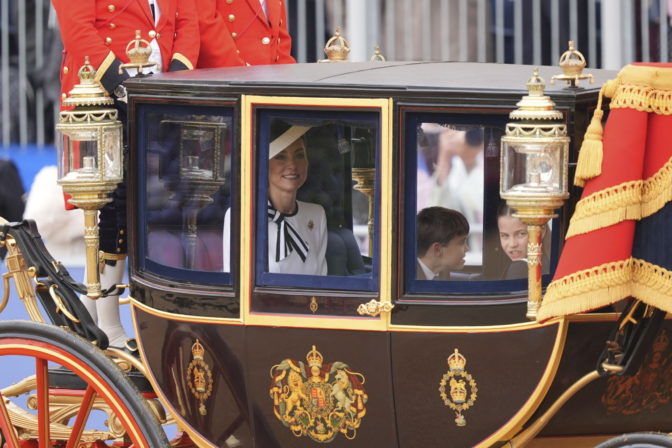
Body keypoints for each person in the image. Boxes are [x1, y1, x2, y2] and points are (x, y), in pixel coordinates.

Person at [52, 0, 200, 349]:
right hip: (104, 95)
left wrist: (173, 80)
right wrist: (121, 84)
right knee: (117, 203)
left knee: (156, 205)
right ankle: (106, 317)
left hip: (161, 96)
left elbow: (187, 22)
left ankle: (92, 310)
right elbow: (78, 29)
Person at [224, 122, 327, 275]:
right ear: (264, 165)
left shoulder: (316, 214)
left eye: (299, 155)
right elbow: (237, 284)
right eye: (280, 157)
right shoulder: (243, 216)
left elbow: (321, 280)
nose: (292, 165)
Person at [427, 126, 484, 254]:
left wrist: (471, 160)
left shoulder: (488, 158)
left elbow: (479, 202)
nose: (469, 138)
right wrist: (444, 155)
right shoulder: (453, 169)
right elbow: (439, 209)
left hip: (481, 250)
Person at [195, 0, 295, 68]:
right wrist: (244, 75)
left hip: (272, 87)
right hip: (229, 84)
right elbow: (205, 24)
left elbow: (280, 39)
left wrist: (288, 79)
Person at [416, 206, 470, 280]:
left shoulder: (420, 277)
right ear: (437, 249)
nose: (467, 249)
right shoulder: (413, 283)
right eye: (461, 242)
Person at [497, 204, 549, 279]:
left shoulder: (518, 268)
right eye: (505, 235)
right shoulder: (548, 265)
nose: (512, 244)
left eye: (521, 234)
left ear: (541, 232)